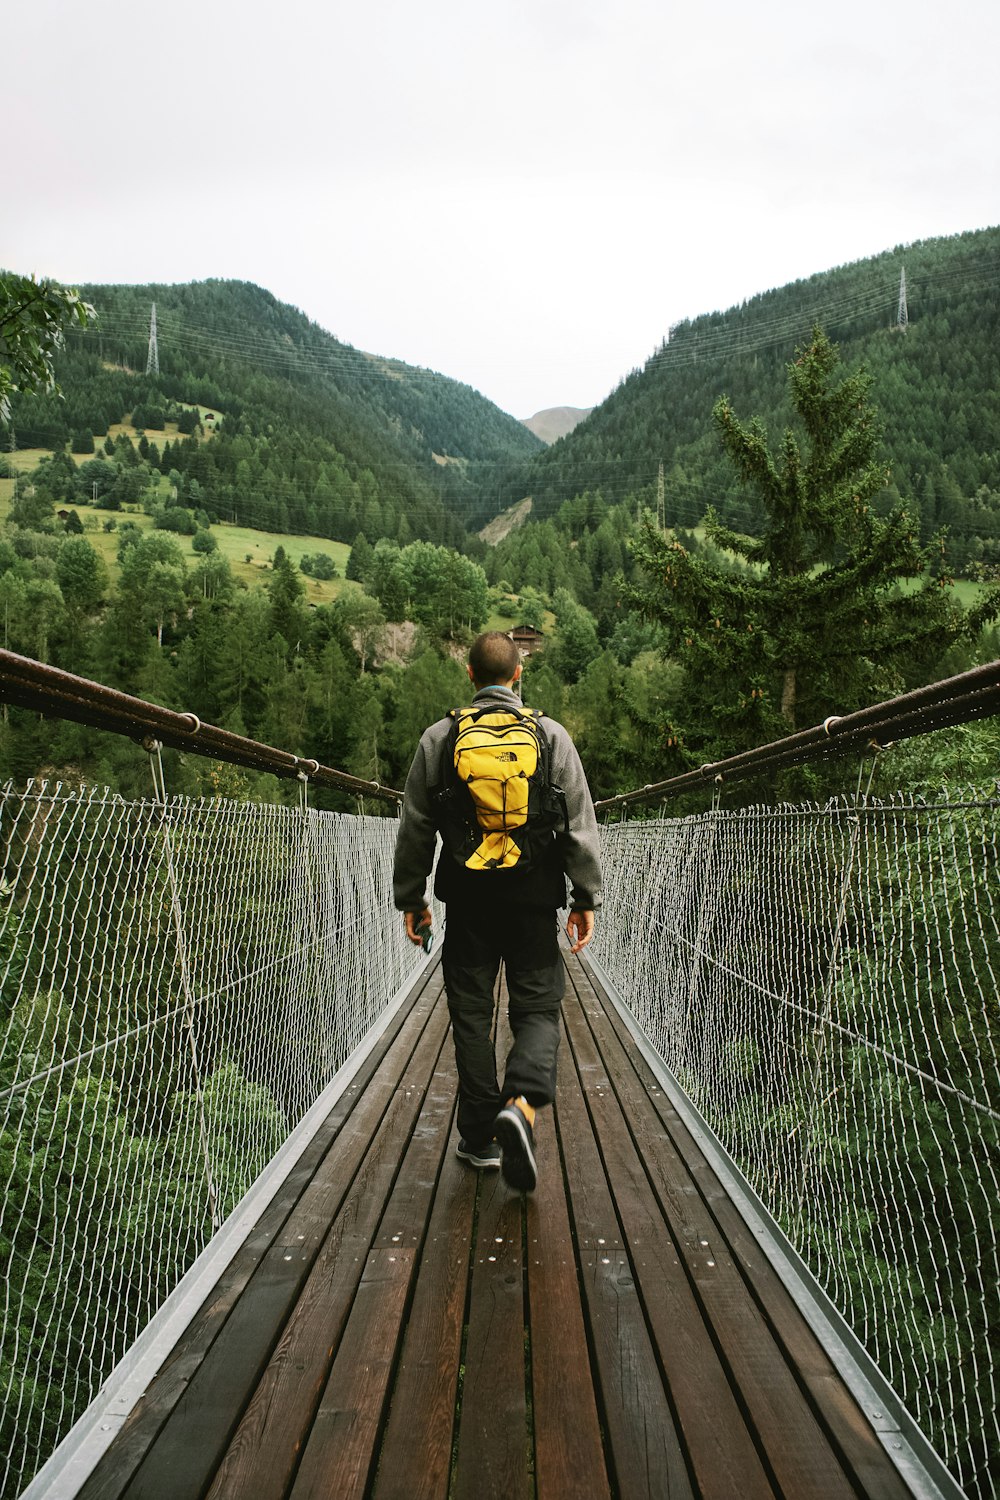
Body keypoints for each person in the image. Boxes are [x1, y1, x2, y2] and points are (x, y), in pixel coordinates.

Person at [392, 630, 602, 1192]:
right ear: (517, 676)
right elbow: (579, 824)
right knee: (537, 1008)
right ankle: (521, 1104)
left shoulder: (440, 738)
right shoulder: (551, 737)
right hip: (534, 897)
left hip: (467, 898)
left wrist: (411, 899)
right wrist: (585, 899)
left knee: (471, 1013)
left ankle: (481, 1137)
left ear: (469, 676)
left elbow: (415, 826)